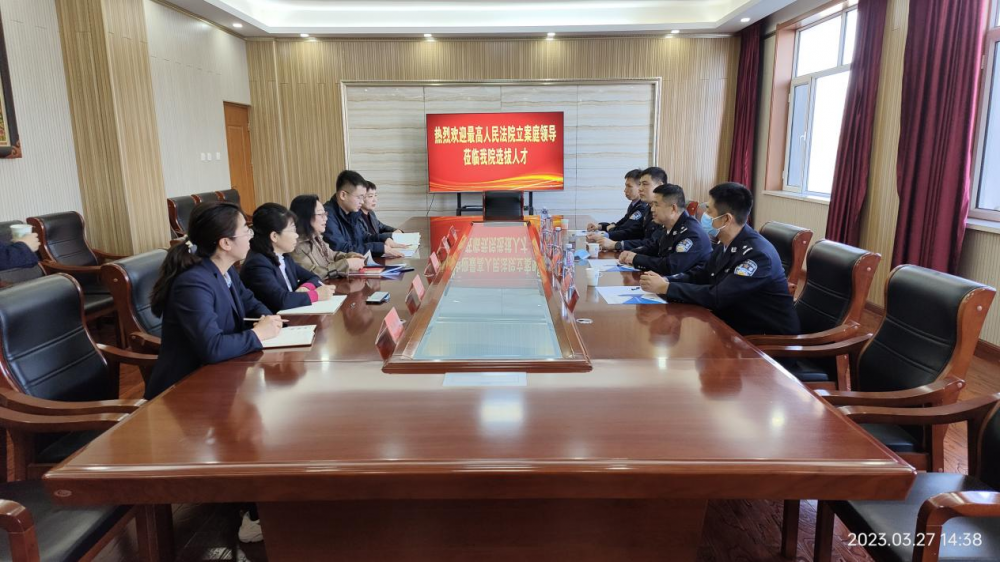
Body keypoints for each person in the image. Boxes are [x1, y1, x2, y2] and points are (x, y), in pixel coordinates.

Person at [639, 182, 800, 336]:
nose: (704, 216)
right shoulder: (726, 243)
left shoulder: (757, 256)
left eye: (709, 211)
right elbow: (702, 274)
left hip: (765, 339)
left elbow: (718, 296)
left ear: (726, 219)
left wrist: (667, 288)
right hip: (735, 325)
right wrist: (667, 281)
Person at [241, 203, 336, 314]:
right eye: (292, 230)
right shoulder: (257, 264)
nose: (296, 235)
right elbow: (281, 300)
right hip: (276, 320)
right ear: (274, 236)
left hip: (295, 314)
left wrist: (306, 288)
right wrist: (316, 295)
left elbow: (314, 277)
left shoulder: (284, 256)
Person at [618, 183, 711, 277]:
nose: (652, 209)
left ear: (673, 208)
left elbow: (671, 267)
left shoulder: (691, 233)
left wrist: (636, 258)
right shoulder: (670, 226)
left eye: (656, 205)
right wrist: (632, 253)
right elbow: (653, 248)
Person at [323, 170, 404, 258]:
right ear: (343, 195)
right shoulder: (327, 216)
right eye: (359, 197)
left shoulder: (352, 212)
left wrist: (384, 240)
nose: (362, 202)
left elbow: (363, 238)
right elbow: (341, 249)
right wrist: (379, 248)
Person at [588, 166, 666, 252]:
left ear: (659, 186)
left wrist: (616, 244)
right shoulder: (648, 208)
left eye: (645, 184)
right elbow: (633, 231)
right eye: (640, 184)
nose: (640, 189)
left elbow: (652, 243)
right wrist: (606, 236)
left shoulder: (663, 212)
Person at [289, 194, 365, 279]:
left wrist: (350, 256)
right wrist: (346, 264)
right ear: (305, 216)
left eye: (325, 214)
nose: (325, 218)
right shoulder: (295, 246)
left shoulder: (316, 238)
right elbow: (314, 274)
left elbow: (332, 255)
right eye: (320, 214)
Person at [586, 169, 646, 234]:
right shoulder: (634, 204)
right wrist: (600, 226)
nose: (625, 190)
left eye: (629, 186)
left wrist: (609, 229)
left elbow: (624, 228)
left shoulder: (642, 207)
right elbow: (621, 223)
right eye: (626, 186)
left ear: (640, 187)